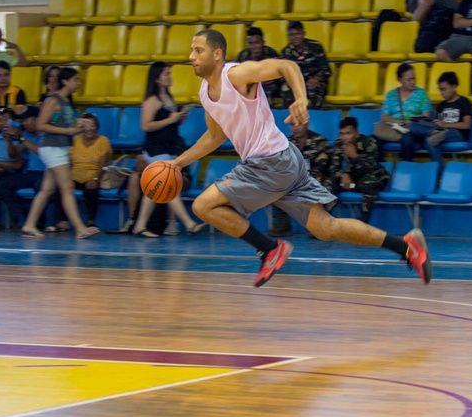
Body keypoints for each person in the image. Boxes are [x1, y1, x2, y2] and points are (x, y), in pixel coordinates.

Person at [172, 29, 431, 287]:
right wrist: (177, 164)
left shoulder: (236, 74)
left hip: (268, 162)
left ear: (217, 54)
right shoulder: (205, 93)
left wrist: (301, 99)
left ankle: (269, 249)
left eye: (198, 50)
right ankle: (406, 246)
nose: (191, 56)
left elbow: (286, 65)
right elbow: (215, 136)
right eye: (192, 50)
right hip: (283, 160)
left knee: (203, 206)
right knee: (325, 228)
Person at [19, 67, 99, 239]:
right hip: (52, 148)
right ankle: (79, 228)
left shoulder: (66, 102)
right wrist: (68, 131)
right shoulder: (53, 100)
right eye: (75, 79)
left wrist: (80, 125)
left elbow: (65, 125)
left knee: (46, 190)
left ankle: (29, 224)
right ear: (65, 81)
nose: (78, 83)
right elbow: (41, 125)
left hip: (60, 148)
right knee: (68, 188)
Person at [126, 63, 204, 237]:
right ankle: (188, 223)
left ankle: (139, 225)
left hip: (169, 148)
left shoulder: (169, 98)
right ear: (157, 79)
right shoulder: (152, 100)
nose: (169, 77)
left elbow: (170, 123)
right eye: (166, 74)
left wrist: (179, 119)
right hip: (156, 149)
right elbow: (146, 125)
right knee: (168, 183)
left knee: (157, 187)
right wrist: (171, 119)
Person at [318, 116, 390, 224]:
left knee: (368, 182)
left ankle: (362, 225)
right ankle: (321, 223)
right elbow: (333, 168)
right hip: (352, 184)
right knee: (329, 183)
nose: (344, 137)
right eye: (341, 133)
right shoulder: (339, 143)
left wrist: (354, 157)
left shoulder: (369, 143)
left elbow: (370, 169)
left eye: (348, 133)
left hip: (372, 180)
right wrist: (343, 175)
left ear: (356, 133)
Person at [269, 118, 330, 237]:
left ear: (307, 124)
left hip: (315, 176)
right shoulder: (286, 143)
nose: (296, 127)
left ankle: (319, 224)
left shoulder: (320, 141)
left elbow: (323, 166)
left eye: (299, 124)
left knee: (321, 183)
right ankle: (284, 223)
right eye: (292, 124)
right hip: (294, 178)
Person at [379, 63, 438, 163]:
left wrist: (409, 122)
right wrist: (399, 122)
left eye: (414, 78)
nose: (413, 82)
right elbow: (385, 117)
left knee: (407, 140)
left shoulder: (421, 94)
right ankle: (382, 169)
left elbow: (426, 116)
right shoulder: (391, 94)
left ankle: (406, 168)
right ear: (399, 80)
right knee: (372, 141)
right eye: (409, 80)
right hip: (393, 129)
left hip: (412, 129)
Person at [69, 113, 113, 228]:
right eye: (86, 125)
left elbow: (104, 163)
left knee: (91, 189)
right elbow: (69, 161)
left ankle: (90, 221)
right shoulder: (75, 140)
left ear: (97, 127)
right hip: (74, 176)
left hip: (94, 175)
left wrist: (95, 178)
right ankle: (62, 221)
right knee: (63, 187)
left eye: (92, 125)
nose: (89, 128)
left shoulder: (103, 141)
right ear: (81, 127)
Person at [280, 21, 331, 109]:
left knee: (315, 90)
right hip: (296, 83)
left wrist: (316, 78)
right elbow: (282, 74)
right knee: (286, 90)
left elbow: (326, 70)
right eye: (292, 35)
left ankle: (315, 118)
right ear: (288, 36)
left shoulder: (316, 47)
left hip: (314, 82)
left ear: (303, 34)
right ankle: (291, 119)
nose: (295, 37)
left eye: (298, 34)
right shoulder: (286, 51)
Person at [431, 71, 472, 165]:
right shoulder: (441, 106)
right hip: (443, 132)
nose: (442, 93)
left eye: (444, 89)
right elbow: (439, 123)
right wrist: (437, 125)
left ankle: (440, 135)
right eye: (440, 90)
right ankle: (438, 170)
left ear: (454, 87)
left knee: (441, 135)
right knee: (431, 140)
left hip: (458, 133)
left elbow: (467, 125)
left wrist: (445, 125)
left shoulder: (464, 102)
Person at [237, 26, 282, 106]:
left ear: (263, 42)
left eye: (257, 43)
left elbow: (275, 75)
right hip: (250, 83)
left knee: (264, 91)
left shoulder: (271, 53)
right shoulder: (243, 55)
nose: (254, 46)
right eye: (251, 43)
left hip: (268, 83)